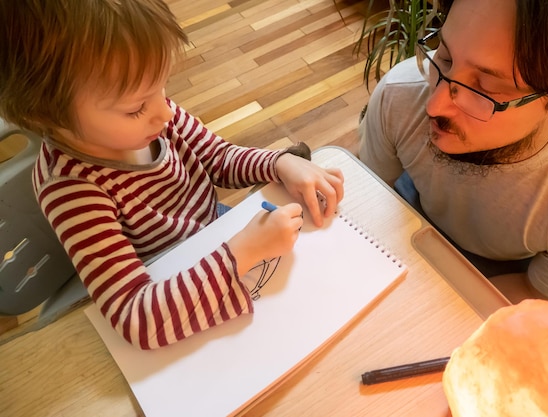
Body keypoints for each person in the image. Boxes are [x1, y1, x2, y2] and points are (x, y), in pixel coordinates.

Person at [0, 0, 344, 349]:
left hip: (211, 234)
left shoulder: (155, 116)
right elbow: (135, 316)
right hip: (168, 279)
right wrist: (243, 252)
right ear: (48, 118)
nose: (165, 113)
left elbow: (219, 158)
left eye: (161, 88)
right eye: (136, 108)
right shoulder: (72, 189)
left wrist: (279, 163)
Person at [359, 0, 548, 308]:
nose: (434, 105)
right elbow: (370, 203)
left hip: (516, 270)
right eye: (445, 56)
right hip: (411, 211)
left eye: (484, 88)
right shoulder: (401, 94)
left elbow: (541, 299)